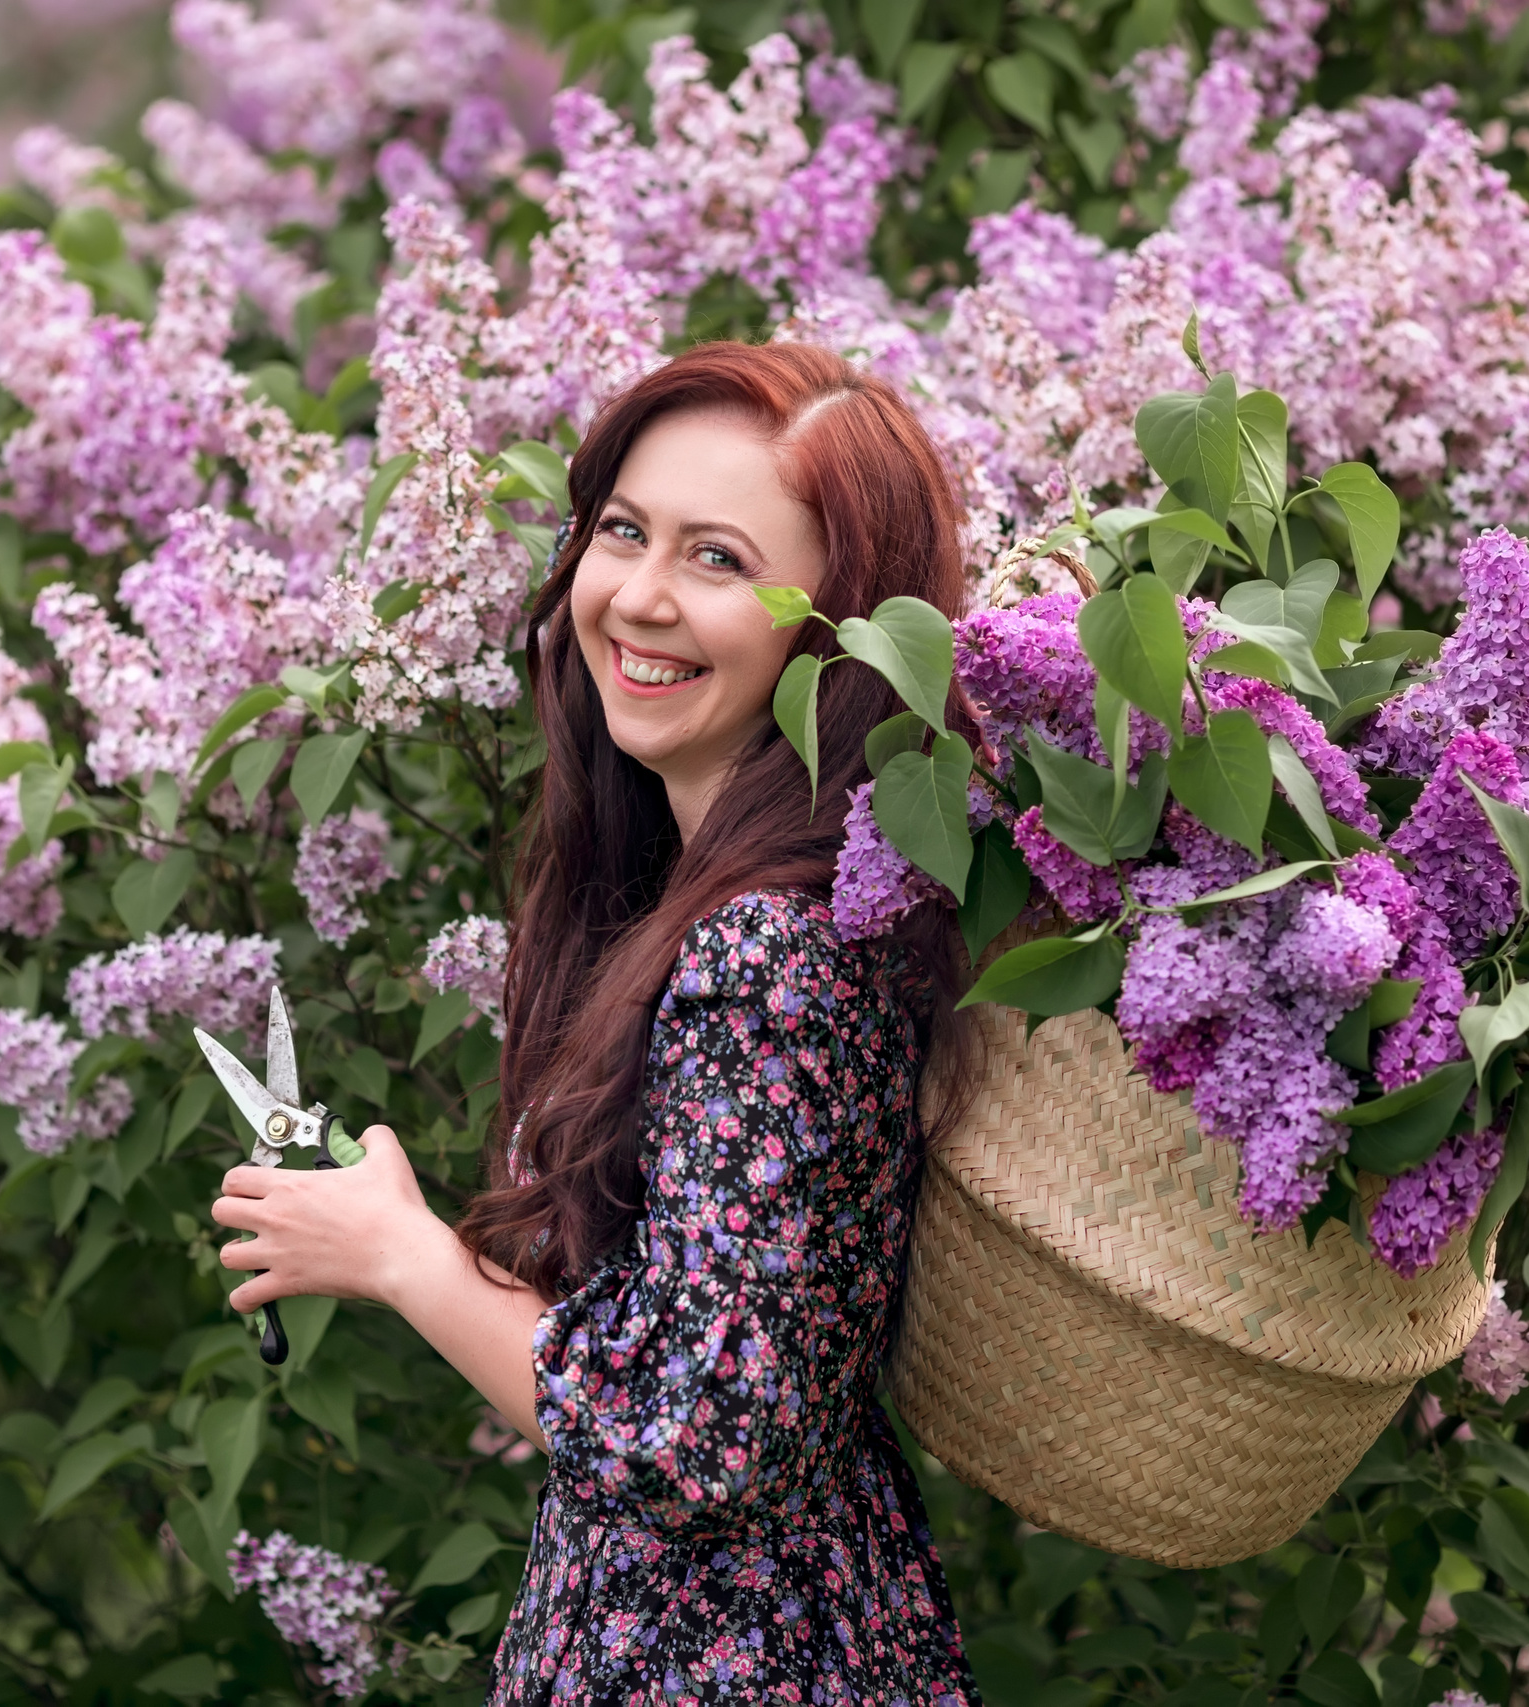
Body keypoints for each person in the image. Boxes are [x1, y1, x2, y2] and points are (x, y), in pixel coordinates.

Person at [208, 341, 983, 1703]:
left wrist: (406, 1262)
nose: (637, 598)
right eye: (624, 532)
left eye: (720, 560)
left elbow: (703, 1437)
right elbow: (665, 1348)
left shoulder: (767, 950)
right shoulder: (710, 905)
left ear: (843, 626)